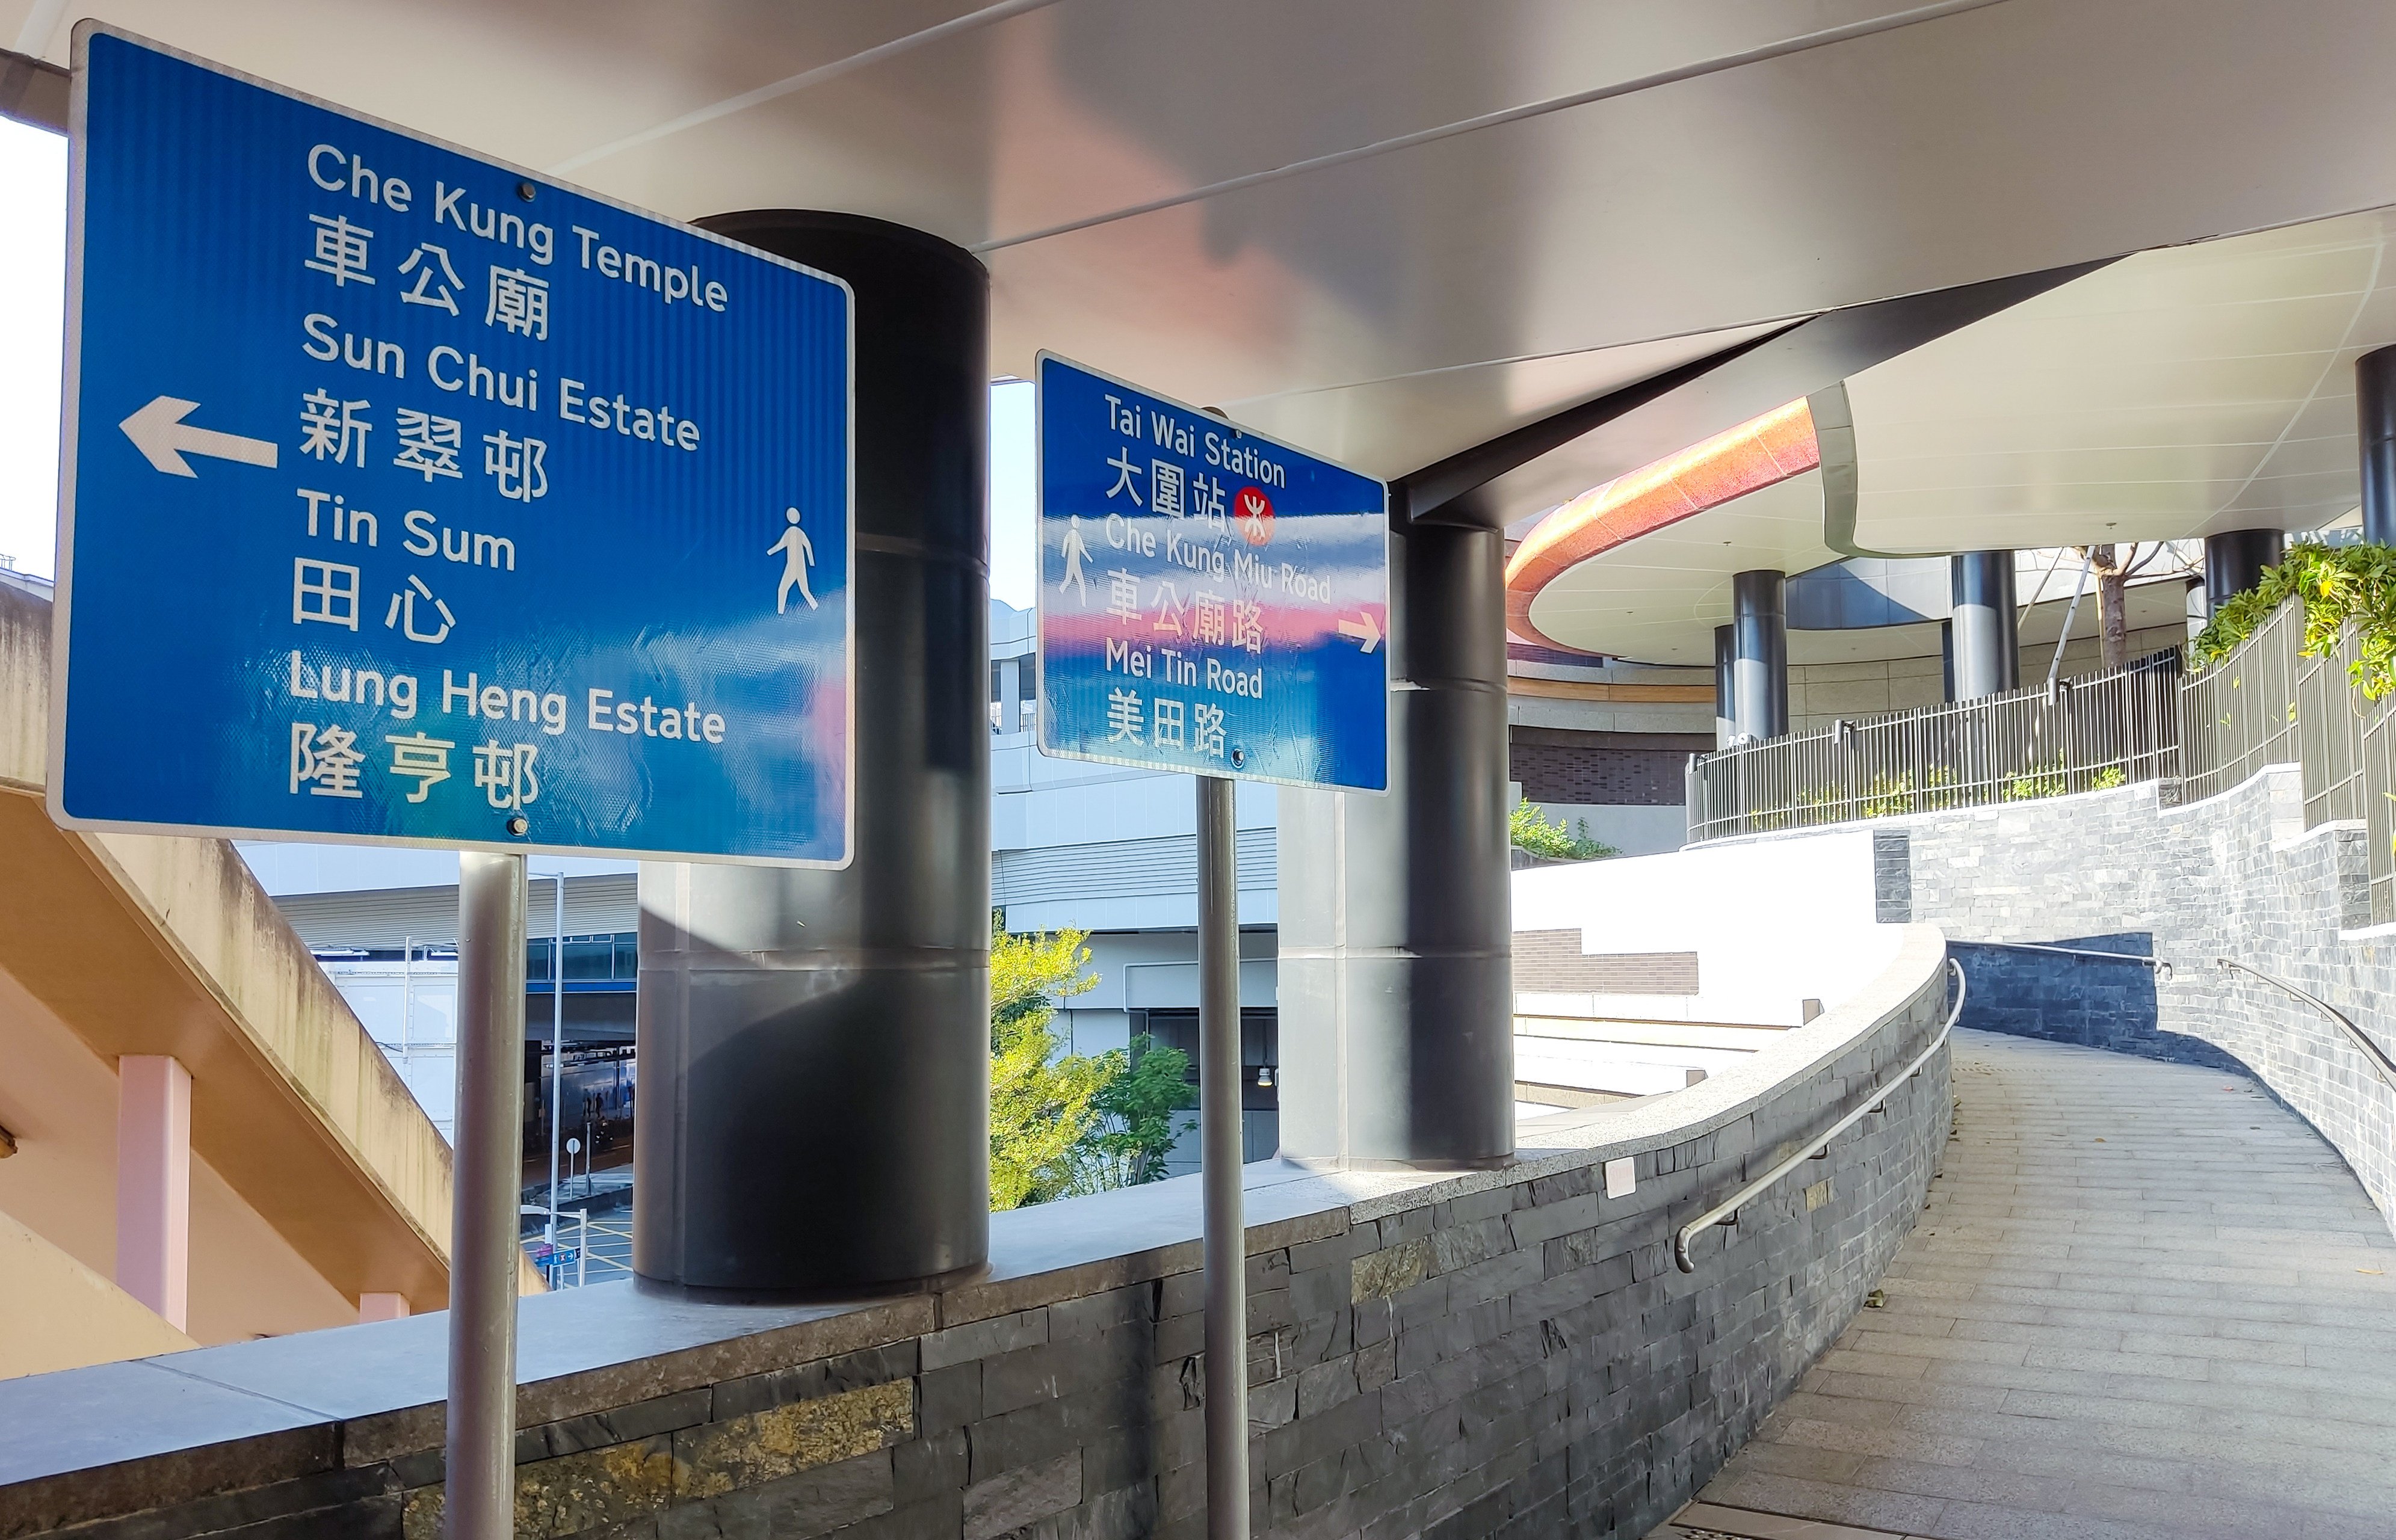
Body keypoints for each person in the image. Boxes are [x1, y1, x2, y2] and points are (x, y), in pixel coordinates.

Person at [771, 507, 818, 612]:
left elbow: (781, 545)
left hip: (793, 567)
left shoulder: (792, 531)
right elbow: (808, 546)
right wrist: (811, 562)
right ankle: (816, 608)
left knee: (783, 589)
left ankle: (780, 614)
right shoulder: (798, 532)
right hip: (801, 567)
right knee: (805, 591)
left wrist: (769, 552)